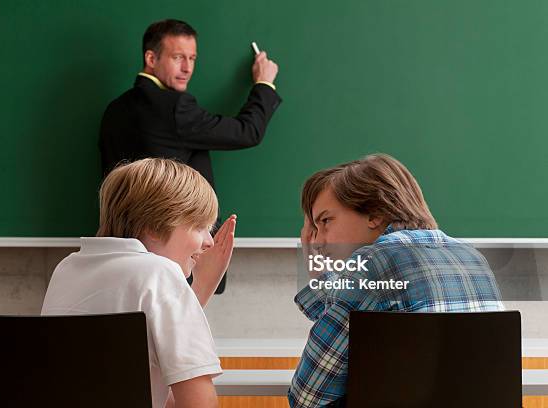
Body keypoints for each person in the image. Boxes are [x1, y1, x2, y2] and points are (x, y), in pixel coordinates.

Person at [288, 154, 504, 407]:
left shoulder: (370, 265)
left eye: (325, 221)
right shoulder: (474, 258)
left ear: (374, 214)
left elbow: (307, 398)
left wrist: (322, 277)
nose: (318, 240)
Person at [42, 158, 236, 408]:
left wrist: (199, 291)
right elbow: (199, 403)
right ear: (154, 227)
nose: (209, 241)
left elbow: (152, 395)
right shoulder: (160, 273)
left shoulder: (66, 269)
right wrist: (199, 288)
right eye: (199, 227)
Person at [98, 18, 281, 186]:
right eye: (178, 57)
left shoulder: (113, 109)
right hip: (179, 222)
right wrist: (264, 84)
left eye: (192, 58)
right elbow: (247, 132)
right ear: (151, 59)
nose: (187, 68)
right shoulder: (174, 107)